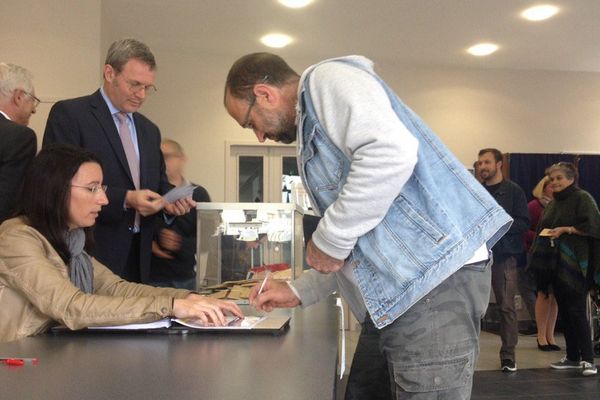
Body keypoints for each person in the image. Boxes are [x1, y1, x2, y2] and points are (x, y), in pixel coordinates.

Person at [224, 53, 512, 399]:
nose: (258, 136)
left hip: (431, 285)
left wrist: (328, 239)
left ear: (265, 93)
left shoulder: (324, 79)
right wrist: (301, 290)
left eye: (249, 122)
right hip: (401, 292)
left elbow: (390, 153)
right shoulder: (316, 120)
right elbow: (363, 245)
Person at [0, 144, 242, 343]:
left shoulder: (71, 241)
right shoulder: (17, 237)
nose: (104, 199)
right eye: (92, 188)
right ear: (54, 189)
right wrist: (170, 306)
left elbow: (117, 288)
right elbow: (71, 306)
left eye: (102, 188)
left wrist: (189, 298)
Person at [43, 38, 194, 283]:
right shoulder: (71, 115)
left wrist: (170, 199)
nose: (141, 95)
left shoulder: (149, 130)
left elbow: (157, 183)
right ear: (109, 72)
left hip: (141, 257)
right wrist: (126, 199)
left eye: (148, 87)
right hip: (89, 251)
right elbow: (56, 183)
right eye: (134, 85)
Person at [529, 162, 600, 376]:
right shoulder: (553, 203)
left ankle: (588, 359)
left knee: (577, 311)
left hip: (577, 264)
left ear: (571, 178)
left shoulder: (582, 198)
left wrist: (567, 230)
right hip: (555, 264)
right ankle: (572, 357)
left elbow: (594, 227)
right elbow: (543, 227)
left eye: (559, 178)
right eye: (552, 179)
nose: (555, 182)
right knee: (566, 314)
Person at [477, 148, 529, 372]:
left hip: (504, 257)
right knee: (470, 307)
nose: (482, 167)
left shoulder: (514, 191)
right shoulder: (476, 191)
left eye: (487, 162)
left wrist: (498, 227)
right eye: (480, 163)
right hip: (477, 259)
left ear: (499, 164)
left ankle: (508, 356)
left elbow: (523, 223)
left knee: (506, 306)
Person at [149, 139, 211, 289]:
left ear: (182, 158)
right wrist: (149, 243)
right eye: (158, 157)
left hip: (185, 278)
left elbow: (208, 241)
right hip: (150, 279)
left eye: (167, 156)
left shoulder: (199, 194)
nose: (162, 162)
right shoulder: (148, 192)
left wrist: (180, 243)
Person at [0, 62, 38, 224]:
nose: (34, 110)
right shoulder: (20, 137)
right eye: (33, 101)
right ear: (19, 96)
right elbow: (7, 203)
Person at [526, 176, 560, 351]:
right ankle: (541, 335)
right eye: (550, 186)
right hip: (540, 254)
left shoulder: (561, 205)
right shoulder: (534, 206)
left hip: (557, 255)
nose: (553, 188)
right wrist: (542, 235)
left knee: (554, 297)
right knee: (543, 294)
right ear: (544, 188)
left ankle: (551, 335)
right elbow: (526, 229)